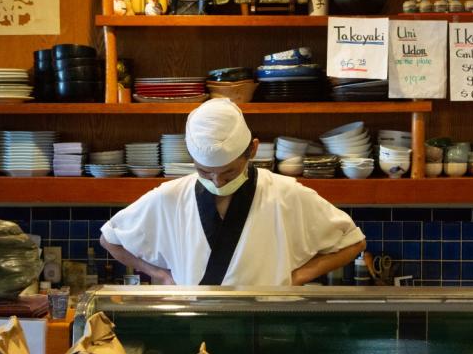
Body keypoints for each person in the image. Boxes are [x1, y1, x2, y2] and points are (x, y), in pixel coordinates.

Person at [100, 98, 366, 285]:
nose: (216, 182)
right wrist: (159, 274)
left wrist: (297, 276)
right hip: (193, 327)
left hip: (267, 325)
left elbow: (353, 241)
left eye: (228, 172)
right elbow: (110, 238)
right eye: (205, 172)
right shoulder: (170, 196)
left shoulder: (285, 194)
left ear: (252, 150)